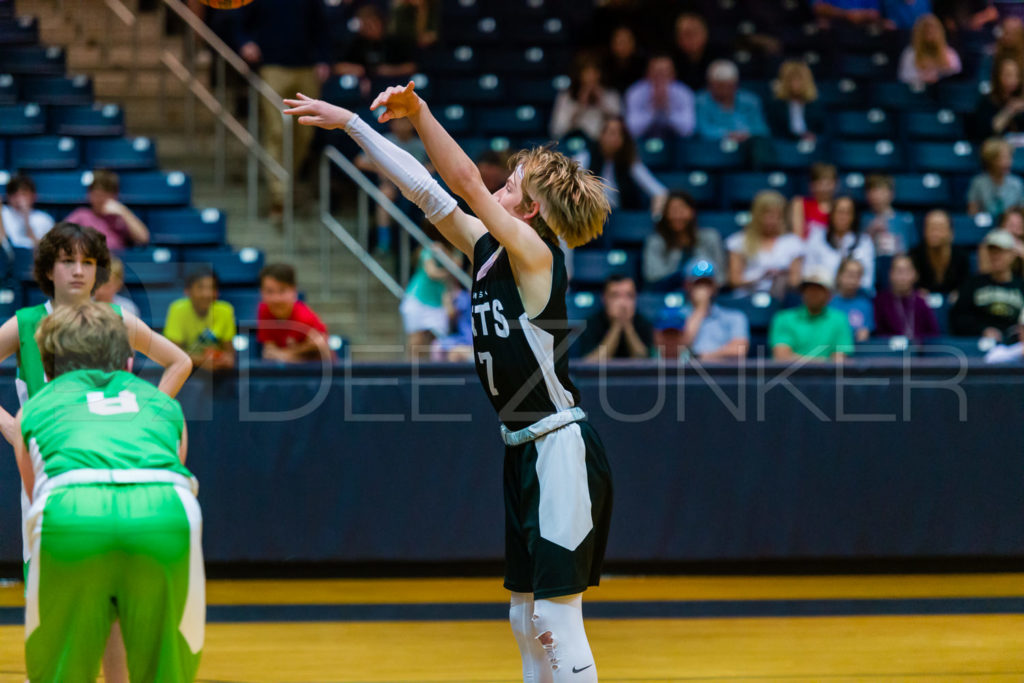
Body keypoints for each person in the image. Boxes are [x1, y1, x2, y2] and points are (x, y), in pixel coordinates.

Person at [284, 81, 614, 682]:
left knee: (555, 621)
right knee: (523, 618)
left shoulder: (537, 256)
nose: (498, 183)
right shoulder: (489, 250)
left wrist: (422, 111)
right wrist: (355, 125)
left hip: (559, 449)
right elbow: (428, 193)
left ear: (531, 211)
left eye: (512, 184)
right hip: (523, 450)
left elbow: (461, 180)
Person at [0, 222, 192, 683]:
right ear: (48, 268)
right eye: (68, 261)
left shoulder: (117, 319)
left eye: (87, 262)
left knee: (114, 597)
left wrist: (148, 416)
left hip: (111, 462)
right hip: (52, 468)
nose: (78, 271)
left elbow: (180, 360)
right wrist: (12, 429)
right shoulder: (26, 324)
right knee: (51, 592)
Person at [237, 0, 330, 219]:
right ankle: (279, 197)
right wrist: (245, 42)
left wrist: (324, 59)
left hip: (306, 67)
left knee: (306, 133)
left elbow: (322, 25)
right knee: (276, 132)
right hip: (272, 66)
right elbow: (240, 20)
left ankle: (287, 181)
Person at [355, 116, 432, 253]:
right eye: (397, 121)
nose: (401, 125)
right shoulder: (383, 141)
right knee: (384, 195)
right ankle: (384, 240)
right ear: (391, 124)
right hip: (390, 184)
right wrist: (380, 169)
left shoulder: (420, 144)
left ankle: (426, 241)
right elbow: (360, 161)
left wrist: (422, 172)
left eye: (405, 121)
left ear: (412, 124)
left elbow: (433, 166)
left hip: (414, 185)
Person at [655, 260, 749, 361]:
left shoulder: (735, 316)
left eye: (707, 284)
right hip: (687, 373)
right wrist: (700, 309)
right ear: (687, 286)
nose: (703, 289)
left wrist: (701, 357)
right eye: (698, 284)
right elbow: (677, 349)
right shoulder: (675, 316)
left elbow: (739, 350)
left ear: (715, 287)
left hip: (723, 372)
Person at [574, 116, 668, 215]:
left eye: (620, 134)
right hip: (589, 218)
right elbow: (567, 183)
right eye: (611, 133)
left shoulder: (630, 163)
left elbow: (660, 192)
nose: (615, 138)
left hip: (622, 222)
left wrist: (655, 217)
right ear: (601, 135)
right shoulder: (586, 157)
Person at [727, 190, 805, 297]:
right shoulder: (738, 241)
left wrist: (781, 277)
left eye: (778, 215)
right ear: (757, 214)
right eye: (768, 214)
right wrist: (761, 277)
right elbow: (734, 281)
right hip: (747, 297)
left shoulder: (793, 242)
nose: (773, 220)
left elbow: (795, 281)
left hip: (781, 298)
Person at [950, 228, 1024, 340]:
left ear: (1012, 255)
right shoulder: (973, 284)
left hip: (1014, 347)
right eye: (992, 251)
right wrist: (982, 330)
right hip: (979, 345)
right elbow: (958, 318)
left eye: (1001, 251)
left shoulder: (1021, 286)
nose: (996, 256)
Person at [642, 191, 725, 289]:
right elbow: (652, 276)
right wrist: (682, 274)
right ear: (665, 214)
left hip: (705, 292)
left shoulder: (711, 237)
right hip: (667, 292)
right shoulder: (655, 241)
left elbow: (721, 277)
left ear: (692, 211)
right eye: (672, 210)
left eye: (682, 210)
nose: (677, 216)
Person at [769, 265, 854, 362]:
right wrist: (823, 363)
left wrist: (801, 361)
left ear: (828, 294)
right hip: (791, 376)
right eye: (809, 288)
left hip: (827, 377)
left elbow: (839, 359)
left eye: (819, 289)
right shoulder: (783, 318)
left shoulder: (839, 319)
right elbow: (782, 357)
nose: (813, 293)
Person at [163, 266, 237, 372]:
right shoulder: (177, 309)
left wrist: (225, 359)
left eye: (211, 288)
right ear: (187, 291)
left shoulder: (226, 310)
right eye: (200, 287)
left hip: (218, 372)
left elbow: (230, 354)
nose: (206, 294)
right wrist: (201, 361)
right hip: (186, 370)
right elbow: (173, 353)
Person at [257, 262, 332, 363]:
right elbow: (269, 352)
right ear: (261, 292)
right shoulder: (264, 310)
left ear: (294, 291)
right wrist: (289, 355)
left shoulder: (304, 316)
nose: (276, 298)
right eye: (269, 291)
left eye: (282, 291)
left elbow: (322, 346)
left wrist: (288, 354)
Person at [63, 170, 149, 250]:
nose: (99, 200)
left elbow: (143, 239)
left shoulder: (120, 218)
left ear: (115, 195)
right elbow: (57, 238)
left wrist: (124, 212)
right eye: (96, 195)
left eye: (104, 195)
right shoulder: (81, 215)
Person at [804, 196, 876, 292]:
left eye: (848, 213)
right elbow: (808, 272)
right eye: (840, 212)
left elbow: (867, 280)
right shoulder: (817, 239)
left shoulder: (864, 242)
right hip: (824, 295)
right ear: (832, 214)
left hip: (855, 296)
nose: (843, 217)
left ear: (854, 217)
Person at [334, 5, 417, 88]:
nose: (370, 28)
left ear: (381, 22)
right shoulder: (356, 43)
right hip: (364, 88)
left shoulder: (394, 42)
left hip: (394, 84)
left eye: (373, 23)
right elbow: (337, 66)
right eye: (366, 24)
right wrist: (357, 70)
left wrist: (391, 70)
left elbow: (411, 66)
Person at [576, 274, 653, 361]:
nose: (622, 302)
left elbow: (645, 363)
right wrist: (616, 325)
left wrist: (627, 325)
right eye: (615, 296)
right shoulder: (590, 323)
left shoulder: (644, 323)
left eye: (629, 295)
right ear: (604, 298)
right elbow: (590, 364)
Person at [550, 54, 623, 142]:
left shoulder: (611, 95)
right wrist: (580, 106)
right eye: (587, 72)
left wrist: (602, 104)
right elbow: (556, 131)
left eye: (594, 72)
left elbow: (621, 129)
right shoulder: (566, 97)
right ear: (579, 74)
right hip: (575, 143)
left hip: (603, 146)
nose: (591, 77)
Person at [623, 54, 695, 140]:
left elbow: (688, 130)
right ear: (648, 74)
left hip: (676, 142)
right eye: (657, 72)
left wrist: (668, 110)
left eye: (665, 72)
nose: (660, 76)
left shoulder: (683, 92)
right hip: (644, 141)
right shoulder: (635, 92)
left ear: (673, 74)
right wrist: (652, 110)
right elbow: (632, 130)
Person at [695, 60, 769, 142]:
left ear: (736, 84)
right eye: (719, 86)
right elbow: (703, 130)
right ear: (710, 85)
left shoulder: (751, 101)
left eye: (729, 86)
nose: (724, 91)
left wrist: (746, 134)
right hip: (714, 147)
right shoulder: (701, 101)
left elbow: (761, 129)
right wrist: (728, 135)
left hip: (748, 144)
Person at [400, 241, 452, 358]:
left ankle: (434, 374)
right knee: (416, 343)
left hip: (437, 303)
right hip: (417, 300)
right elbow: (432, 272)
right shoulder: (429, 249)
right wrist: (450, 271)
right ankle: (412, 373)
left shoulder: (453, 250)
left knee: (437, 344)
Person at [874, 254, 940, 340]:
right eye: (899, 271)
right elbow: (878, 336)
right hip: (890, 352)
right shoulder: (880, 302)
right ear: (890, 274)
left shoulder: (921, 302)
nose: (903, 277)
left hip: (919, 352)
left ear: (915, 275)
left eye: (907, 271)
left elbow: (933, 335)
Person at [909, 209, 970, 295]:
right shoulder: (914, 256)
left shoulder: (961, 257)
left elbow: (965, 285)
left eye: (939, 227)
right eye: (930, 227)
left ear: (950, 232)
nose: (934, 232)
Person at [765, 60, 825, 142]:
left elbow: (826, 130)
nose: (795, 84)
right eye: (791, 80)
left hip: (813, 146)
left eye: (799, 80)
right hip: (785, 146)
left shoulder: (817, 103)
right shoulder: (775, 104)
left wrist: (814, 136)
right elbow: (773, 132)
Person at [898, 13, 961, 87]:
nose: (930, 35)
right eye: (926, 32)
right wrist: (923, 78)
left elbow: (957, 79)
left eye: (933, 32)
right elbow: (904, 78)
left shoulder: (950, 54)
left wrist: (939, 77)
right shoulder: (910, 54)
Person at [967, 138, 1024, 218]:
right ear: (991, 160)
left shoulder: (1017, 183)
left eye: (1009, 158)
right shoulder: (978, 183)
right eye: (1002, 158)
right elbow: (972, 213)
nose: (1008, 163)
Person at [971, 55, 1024, 141]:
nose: (1013, 80)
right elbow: (989, 132)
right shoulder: (987, 101)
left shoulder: (1021, 100)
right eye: (1008, 75)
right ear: (997, 76)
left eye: (1016, 75)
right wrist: (1010, 109)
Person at [863, 174, 916, 255]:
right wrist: (870, 233)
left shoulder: (905, 220)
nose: (877, 196)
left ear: (891, 194)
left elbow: (912, 249)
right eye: (873, 191)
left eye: (881, 191)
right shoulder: (863, 219)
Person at [2, 173, 53, 248]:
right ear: (8, 197)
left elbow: (42, 251)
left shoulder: (44, 219)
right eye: (15, 195)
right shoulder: (3, 213)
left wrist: (26, 218)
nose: (19, 199)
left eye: (23, 194)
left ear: (33, 196)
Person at [829, 258, 875, 342]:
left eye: (858, 276)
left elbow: (864, 335)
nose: (853, 280)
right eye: (850, 275)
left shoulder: (865, 305)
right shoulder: (829, 303)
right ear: (839, 275)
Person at [790, 162, 837, 240]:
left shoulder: (840, 206)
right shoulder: (800, 203)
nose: (824, 188)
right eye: (820, 183)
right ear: (811, 185)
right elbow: (798, 236)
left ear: (836, 184)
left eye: (828, 183)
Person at [671, 13, 716, 92]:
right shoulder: (670, 63)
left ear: (705, 34)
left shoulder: (717, 59)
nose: (692, 38)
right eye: (687, 34)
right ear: (678, 38)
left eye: (695, 33)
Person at [601, 25, 648, 95]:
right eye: (619, 42)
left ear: (633, 44)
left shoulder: (644, 65)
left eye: (626, 42)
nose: (622, 47)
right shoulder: (605, 66)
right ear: (612, 44)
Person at [979, 207, 1024, 277]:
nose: (1014, 231)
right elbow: (985, 274)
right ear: (1002, 226)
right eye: (1011, 225)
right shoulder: (989, 243)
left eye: (1019, 226)